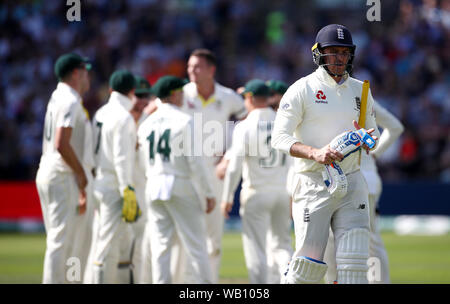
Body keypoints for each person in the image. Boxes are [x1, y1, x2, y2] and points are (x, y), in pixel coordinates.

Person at [271, 24, 380, 284]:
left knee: (354, 266)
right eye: (333, 52)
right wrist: (315, 153)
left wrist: (367, 141)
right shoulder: (302, 89)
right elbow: (279, 138)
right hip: (313, 183)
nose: (339, 58)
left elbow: (373, 136)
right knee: (307, 268)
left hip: (352, 181)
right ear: (318, 54)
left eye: (344, 52)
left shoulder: (360, 90)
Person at [136, 75, 216, 284]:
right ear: (172, 94)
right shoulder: (184, 120)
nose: (183, 95)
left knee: (161, 247)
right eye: (180, 91)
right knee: (197, 245)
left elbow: (142, 160)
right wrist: (208, 193)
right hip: (179, 182)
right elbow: (195, 162)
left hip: (153, 184)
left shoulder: (145, 124)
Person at [180, 48, 247, 282]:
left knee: (214, 237)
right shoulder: (181, 93)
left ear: (211, 69)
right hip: (186, 174)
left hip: (215, 173)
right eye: (189, 67)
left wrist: (229, 156)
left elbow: (247, 121)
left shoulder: (228, 97)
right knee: (185, 238)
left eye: (197, 67)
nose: (192, 72)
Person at [323, 101, 404, 284]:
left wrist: (374, 154)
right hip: (361, 179)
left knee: (333, 238)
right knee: (369, 240)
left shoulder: (358, 101)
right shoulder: (363, 101)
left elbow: (396, 127)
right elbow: (395, 127)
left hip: (346, 179)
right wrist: (375, 154)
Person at [221, 79, 293, 284]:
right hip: (281, 191)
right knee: (282, 246)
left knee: (256, 249)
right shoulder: (283, 123)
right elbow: (292, 163)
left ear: (250, 98)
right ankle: (291, 280)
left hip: (256, 192)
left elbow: (234, 166)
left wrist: (226, 197)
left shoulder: (245, 126)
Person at [35, 53, 93, 283]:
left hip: (50, 171)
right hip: (62, 174)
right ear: (77, 73)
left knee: (61, 240)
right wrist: (80, 174)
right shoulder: (69, 100)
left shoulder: (57, 97)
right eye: (85, 72)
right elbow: (62, 142)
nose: (88, 78)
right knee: (61, 242)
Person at [91, 70, 141, 284]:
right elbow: (121, 158)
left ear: (111, 90)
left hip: (100, 181)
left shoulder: (100, 113)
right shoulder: (124, 118)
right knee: (107, 246)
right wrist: (127, 189)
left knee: (117, 243)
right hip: (115, 187)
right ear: (132, 92)